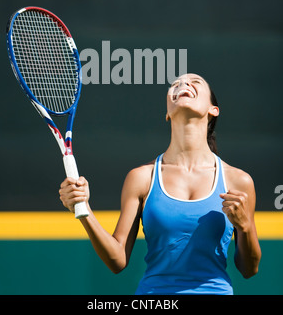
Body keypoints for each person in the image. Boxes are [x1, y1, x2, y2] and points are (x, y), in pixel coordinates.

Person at [59, 73, 261, 295]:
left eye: (195, 82)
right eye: (176, 84)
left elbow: (249, 269)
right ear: (167, 113)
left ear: (214, 110)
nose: (183, 84)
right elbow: (117, 260)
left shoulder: (239, 181)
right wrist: (84, 210)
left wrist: (245, 226)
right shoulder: (141, 178)